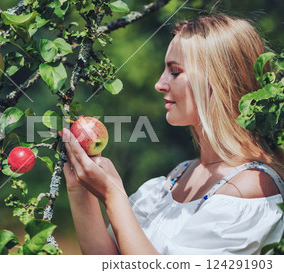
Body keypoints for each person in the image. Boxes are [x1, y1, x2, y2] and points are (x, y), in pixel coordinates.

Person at [62, 13, 284, 255]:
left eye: (175, 72)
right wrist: (80, 188)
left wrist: (113, 195)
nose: (160, 84)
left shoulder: (249, 188)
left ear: (218, 81)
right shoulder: (179, 176)